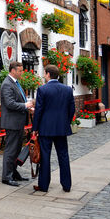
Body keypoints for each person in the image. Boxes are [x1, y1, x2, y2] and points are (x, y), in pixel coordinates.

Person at [32, 64, 76, 193]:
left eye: (45, 73)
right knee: (63, 156)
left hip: (46, 129)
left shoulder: (43, 89)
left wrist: (35, 128)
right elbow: (72, 109)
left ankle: (44, 185)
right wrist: (65, 122)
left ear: (48, 74)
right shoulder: (67, 89)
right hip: (61, 128)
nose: (44, 75)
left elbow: (39, 111)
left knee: (45, 156)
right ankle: (66, 185)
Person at [0, 61, 34, 186]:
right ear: (13, 70)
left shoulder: (15, 83)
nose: (21, 73)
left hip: (18, 122)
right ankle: (6, 177)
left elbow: (19, 100)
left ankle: (13, 173)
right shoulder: (7, 84)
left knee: (16, 149)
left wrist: (27, 107)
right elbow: (10, 103)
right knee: (10, 150)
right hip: (12, 122)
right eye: (20, 71)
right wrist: (25, 105)